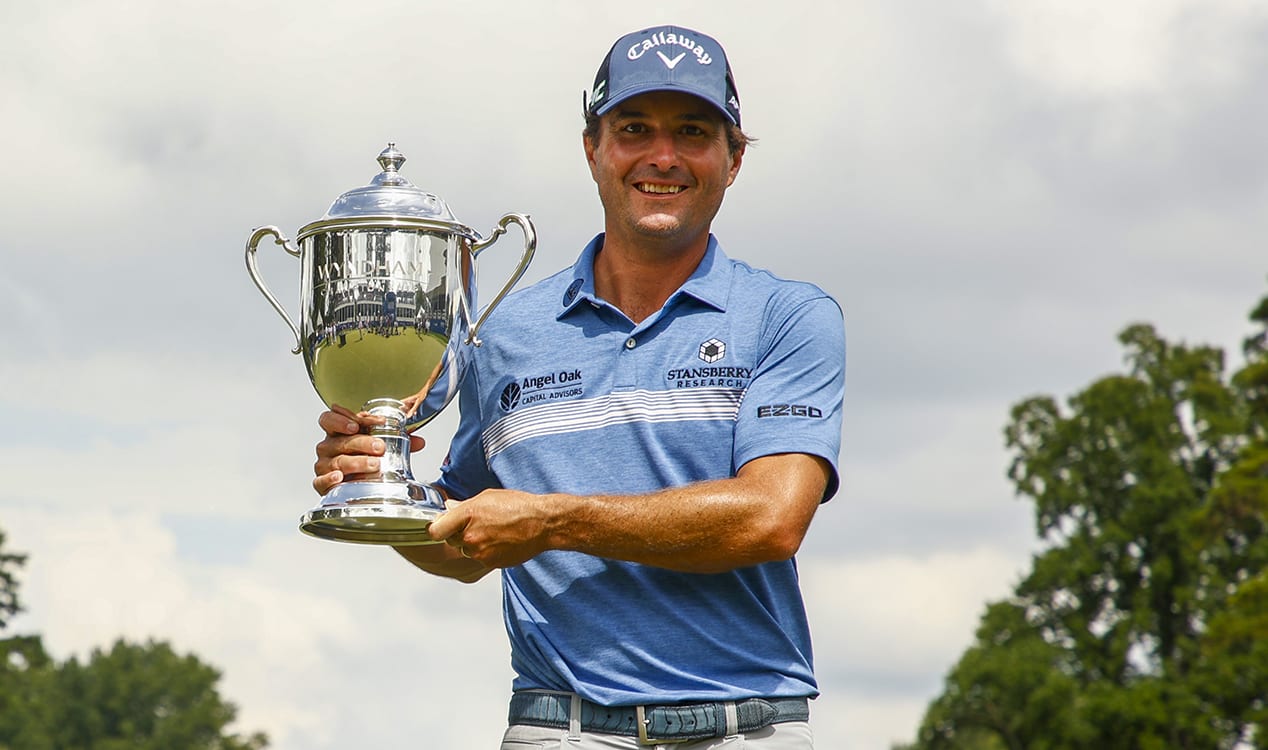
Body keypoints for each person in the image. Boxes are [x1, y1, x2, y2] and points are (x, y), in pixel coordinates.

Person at [313, 24, 846, 749]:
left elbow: (771, 517)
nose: (663, 156)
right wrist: (384, 488)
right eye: (634, 129)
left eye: (693, 131)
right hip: (555, 727)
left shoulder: (788, 316)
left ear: (734, 158)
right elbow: (470, 540)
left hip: (747, 727)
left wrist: (555, 519)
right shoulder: (502, 332)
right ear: (593, 148)